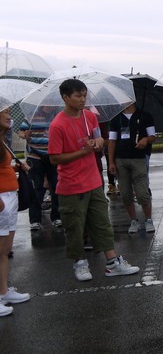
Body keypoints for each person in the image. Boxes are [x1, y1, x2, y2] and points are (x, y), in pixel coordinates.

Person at [47, 79, 141, 281]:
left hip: (94, 181)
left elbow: (100, 137)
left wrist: (98, 142)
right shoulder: (57, 125)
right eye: (78, 96)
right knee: (75, 227)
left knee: (102, 223)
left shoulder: (89, 116)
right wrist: (83, 151)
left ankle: (112, 262)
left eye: (84, 95)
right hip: (71, 185)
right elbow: (54, 158)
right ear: (65, 97)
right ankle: (80, 263)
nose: (83, 99)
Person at [108, 103, 157, 233]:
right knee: (125, 194)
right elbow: (112, 141)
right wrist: (111, 162)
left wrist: (145, 140)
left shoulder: (145, 116)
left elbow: (153, 136)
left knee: (142, 193)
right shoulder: (115, 119)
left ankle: (148, 219)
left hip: (139, 158)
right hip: (120, 159)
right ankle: (133, 220)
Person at [1, 107, 31, 317]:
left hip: (10, 196)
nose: (9, 117)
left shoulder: (2, 140)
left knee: (4, 250)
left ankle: (3, 291)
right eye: (4, 113)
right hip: (2, 199)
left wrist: (14, 169)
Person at [16, 112, 61, 230]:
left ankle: (57, 217)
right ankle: (35, 220)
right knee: (36, 188)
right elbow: (20, 132)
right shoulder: (31, 116)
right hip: (35, 156)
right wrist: (25, 135)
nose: (48, 106)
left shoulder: (57, 116)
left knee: (56, 187)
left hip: (53, 155)